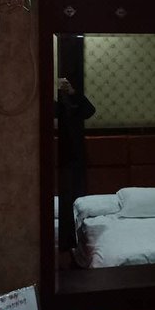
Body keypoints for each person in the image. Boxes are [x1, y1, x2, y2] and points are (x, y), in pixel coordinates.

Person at [56, 77, 96, 253]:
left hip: (77, 156)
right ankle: (67, 241)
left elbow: (90, 110)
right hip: (60, 156)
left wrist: (73, 93)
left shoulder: (76, 105)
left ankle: (76, 240)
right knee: (65, 197)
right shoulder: (56, 105)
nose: (63, 87)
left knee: (78, 196)